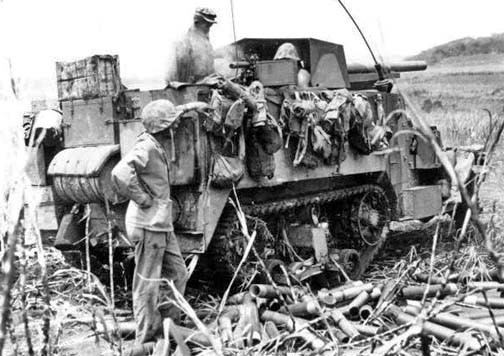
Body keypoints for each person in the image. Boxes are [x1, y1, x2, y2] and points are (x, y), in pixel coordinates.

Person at [111, 99, 207, 344]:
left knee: (177, 273)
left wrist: (192, 106)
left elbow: (173, 113)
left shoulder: (155, 142)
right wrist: (142, 198)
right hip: (148, 225)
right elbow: (120, 173)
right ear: (162, 128)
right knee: (147, 283)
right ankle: (146, 340)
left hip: (161, 223)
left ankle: (169, 327)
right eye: (172, 124)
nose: (175, 128)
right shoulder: (147, 147)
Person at [167, 7, 217, 83]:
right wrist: (200, 83)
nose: (209, 29)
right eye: (207, 25)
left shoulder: (207, 44)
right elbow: (172, 78)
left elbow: (210, 70)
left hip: (207, 86)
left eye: (210, 25)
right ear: (197, 23)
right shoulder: (183, 43)